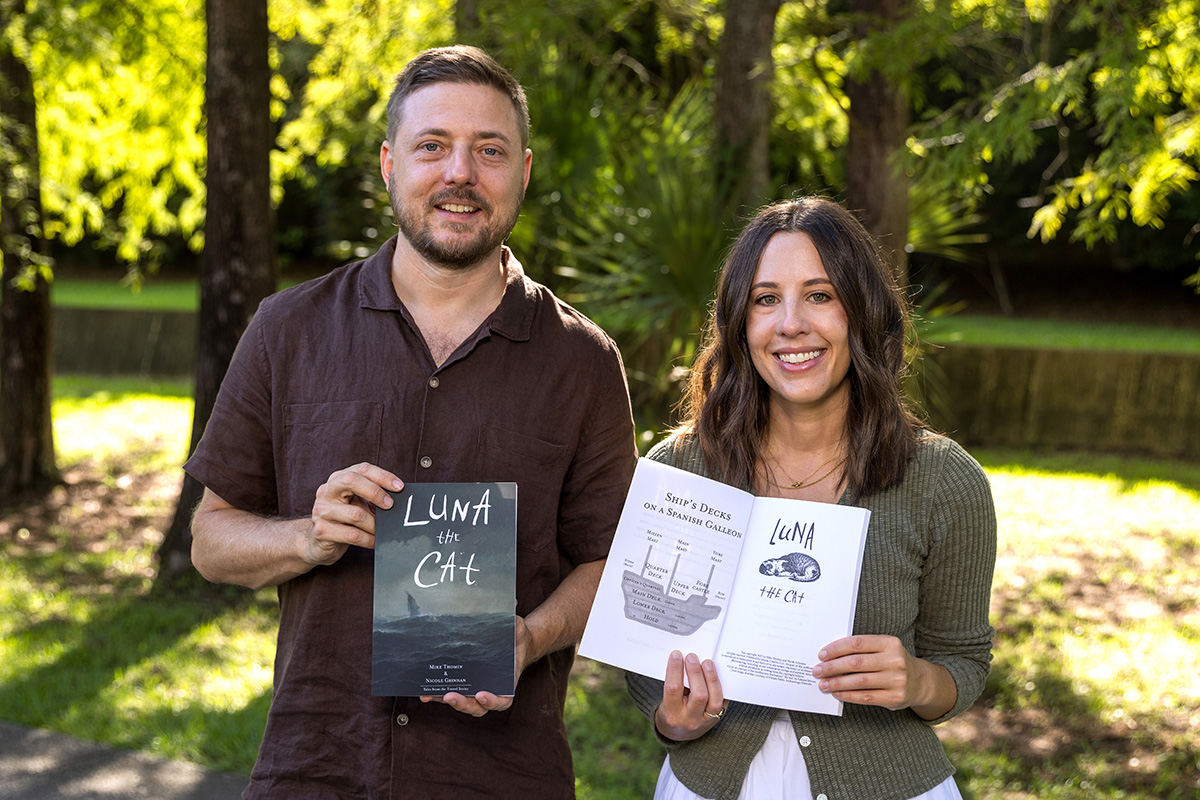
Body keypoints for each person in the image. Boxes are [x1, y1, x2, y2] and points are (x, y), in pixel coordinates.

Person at [185, 45, 637, 799]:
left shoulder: (582, 362)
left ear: (522, 173)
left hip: (501, 777)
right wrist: (305, 536)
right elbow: (209, 538)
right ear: (391, 164)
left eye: (489, 150)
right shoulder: (287, 330)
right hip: (317, 765)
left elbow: (609, 564)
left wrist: (531, 638)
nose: (460, 172)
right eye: (433, 147)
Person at [625, 197, 997, 800]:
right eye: (766, 299)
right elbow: (644, 663)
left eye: (820, 295)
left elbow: (964, 662)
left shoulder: (944, 482)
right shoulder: (679, 472)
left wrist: (917, 681)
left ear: (862, 312)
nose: (791, 323)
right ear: (740, 325)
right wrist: (674, 719)